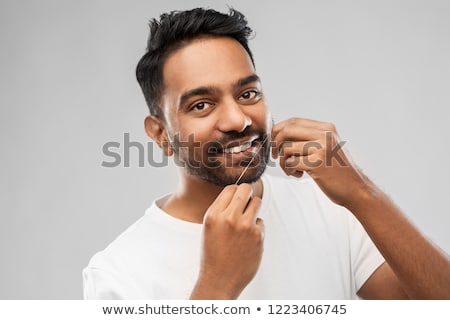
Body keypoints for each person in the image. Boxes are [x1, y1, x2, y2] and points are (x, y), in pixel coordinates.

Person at [83, 8, 450, 299]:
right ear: (161, 134)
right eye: (201, 105)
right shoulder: (117, 273)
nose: (238, 119)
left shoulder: (328, 207)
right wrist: (217, 287)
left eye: (247, 94)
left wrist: (362, 194)